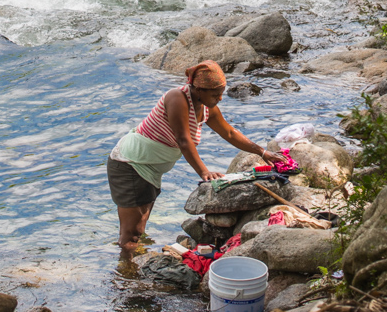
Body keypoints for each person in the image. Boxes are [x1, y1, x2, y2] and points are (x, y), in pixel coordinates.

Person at [107, 60, 277, 264]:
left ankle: (132, 263)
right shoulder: (176, 98)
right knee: (131, 233)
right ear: (197, 89)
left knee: (139, 227)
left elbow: (230, 133)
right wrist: (204, 172)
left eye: (221, 93)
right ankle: (124, 274)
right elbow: (183, 140)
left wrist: (263, 152)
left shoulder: (207, 107)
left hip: (150, 170)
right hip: (130, 164)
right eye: (215, 94)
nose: (220, 99)